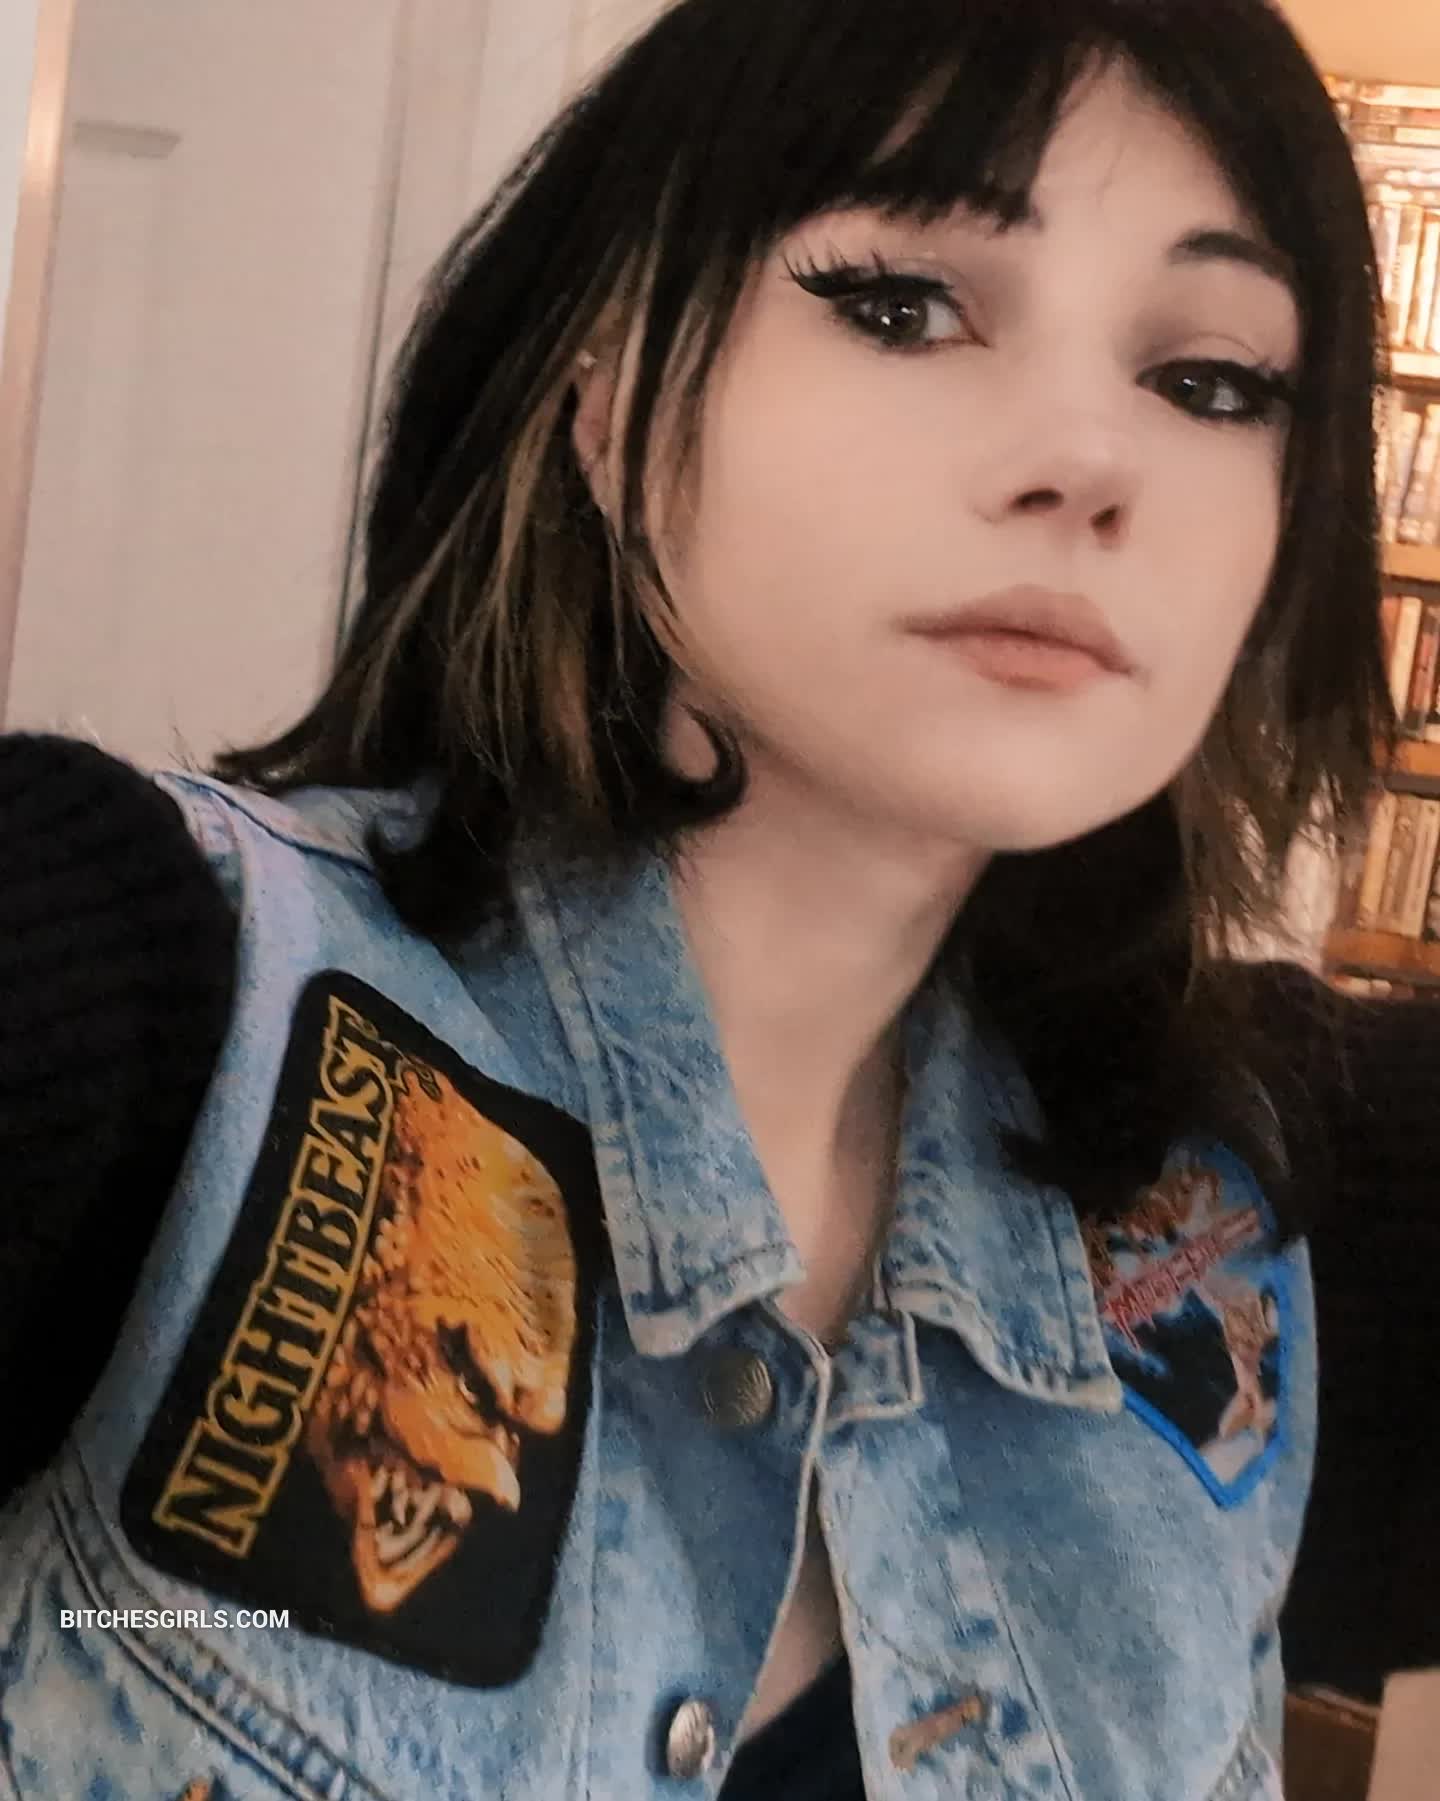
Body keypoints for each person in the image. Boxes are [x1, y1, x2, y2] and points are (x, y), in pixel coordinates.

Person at [0, 0, 1400, 1795]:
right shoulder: (147, 988)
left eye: (1208, 380)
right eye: (901, 303)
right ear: (601, 398)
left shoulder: (1228, 1205)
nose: (1091, 459)